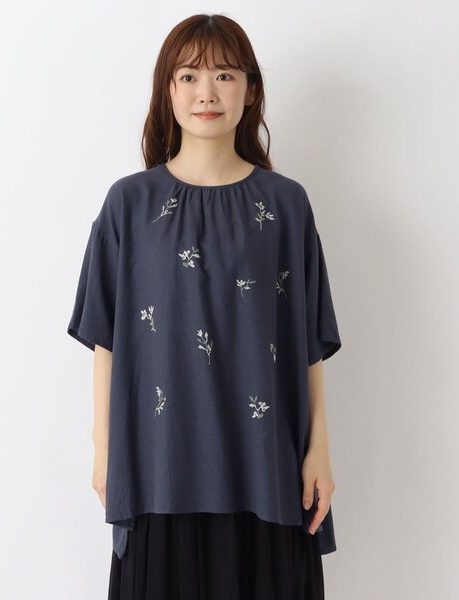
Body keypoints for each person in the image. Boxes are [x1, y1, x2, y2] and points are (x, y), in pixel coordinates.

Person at [67, 13, 342, 600]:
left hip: (266, 467)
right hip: (158, 467)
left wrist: (319, 448)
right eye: (189, 76)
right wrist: (104, 449)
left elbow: (307, 341)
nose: (207, 93)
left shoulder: (286, 205)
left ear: (250, 89)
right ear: (168, 90)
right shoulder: (129, 205)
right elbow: (106, 337)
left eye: (224, 75)